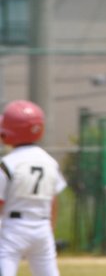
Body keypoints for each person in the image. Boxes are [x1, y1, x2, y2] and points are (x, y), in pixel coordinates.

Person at [0, 100, 67, 276]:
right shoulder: (50, 162)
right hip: (42, 227)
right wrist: (49, 228)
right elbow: (53, 200)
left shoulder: (8, 163)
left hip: (13, 227)